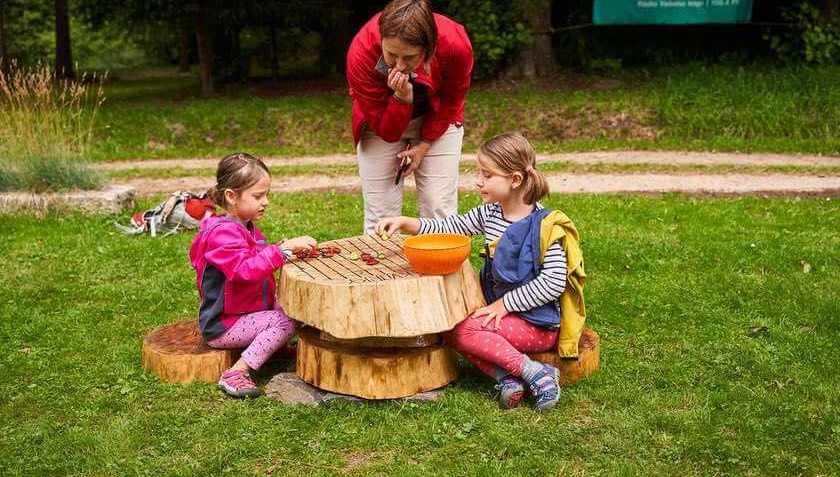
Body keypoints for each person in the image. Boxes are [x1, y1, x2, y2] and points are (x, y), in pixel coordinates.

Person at [374, 133, 586, 411]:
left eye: (487, 175)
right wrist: (405, 222)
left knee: (463, 331)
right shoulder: (490, 214)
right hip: (502, 316)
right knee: (448, 326)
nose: (478, 181)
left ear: (515, 180)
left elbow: (553, 283)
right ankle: (508, 377)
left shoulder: (545, 227)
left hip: (537, 324)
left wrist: (503, 305)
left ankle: (537, 373)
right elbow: (448, 227)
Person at [189, 152, 317, 398]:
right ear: (231, 196)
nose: (265, 201)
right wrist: (281, 252)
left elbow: (256, 256)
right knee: (284, 321)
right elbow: (243, 271)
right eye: (258, 196)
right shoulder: (222, 234)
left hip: (249, 312)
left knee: (297, 309)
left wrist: (281, 249)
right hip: (224, 324)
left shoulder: (245, 226)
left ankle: (273, 348)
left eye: (266, 194)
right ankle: (236, 373)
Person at [346, 0, 474, 234]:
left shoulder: (454, 43)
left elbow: (452, 98)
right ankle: (382, 271)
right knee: (381, 215)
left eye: (410, 57)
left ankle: (442, 269)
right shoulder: (362, 52)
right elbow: (387, 131)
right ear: (381, 38)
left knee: (439, 208)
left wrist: (425, 144)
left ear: (429, 48)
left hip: (437, 117)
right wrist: (402, 99)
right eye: (391, 54)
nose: (399, 65)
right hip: (382, 119)